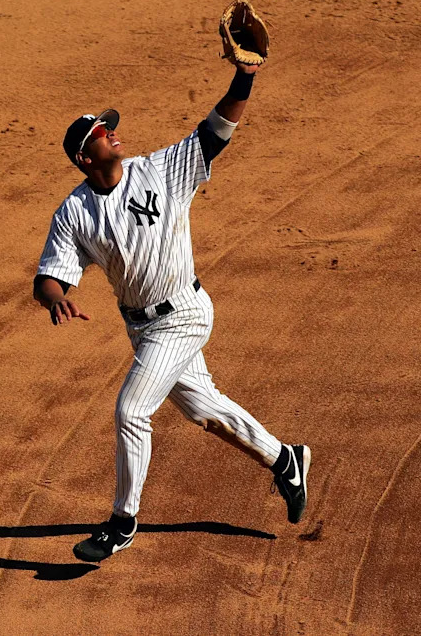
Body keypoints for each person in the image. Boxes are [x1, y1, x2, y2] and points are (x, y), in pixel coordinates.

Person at [33, 60, 311, 563]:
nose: (113, 134)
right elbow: (48, 276)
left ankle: (121, 522)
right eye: (102, 131)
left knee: (132, 410)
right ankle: (285, 459)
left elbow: (217, 130)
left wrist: (244, 77)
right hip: (142, 328)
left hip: (183, 313)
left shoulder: (158, 170)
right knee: (203, 408)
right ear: (85, 157)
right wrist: (55, 297)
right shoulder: (75, 212)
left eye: (110, 126)